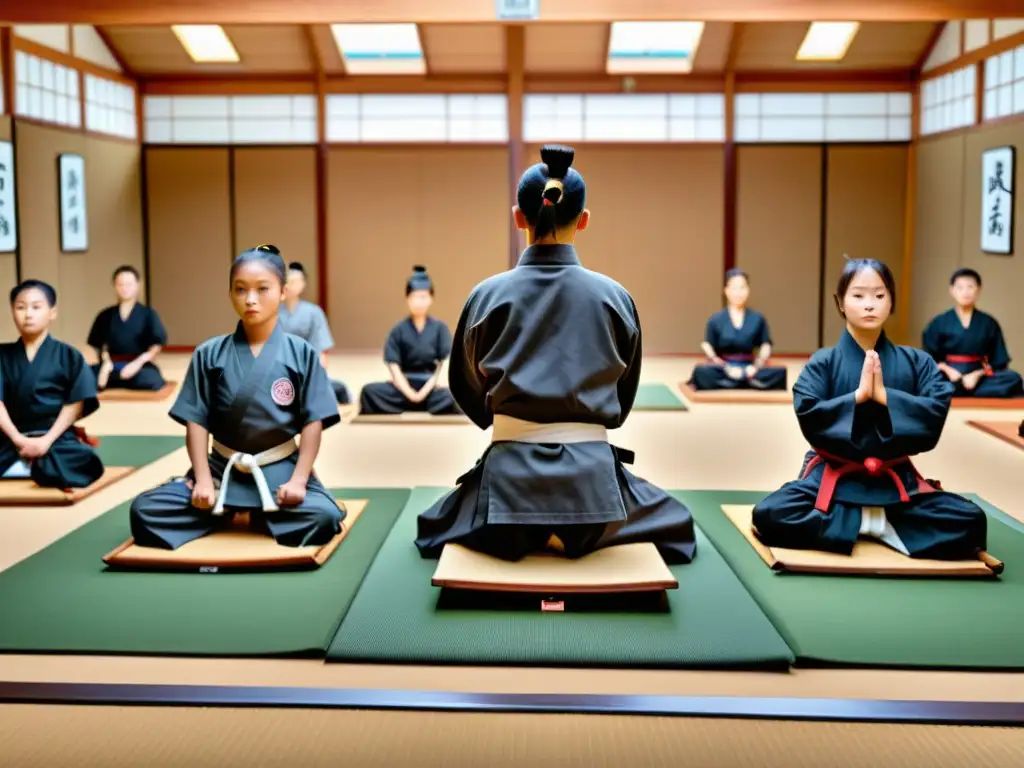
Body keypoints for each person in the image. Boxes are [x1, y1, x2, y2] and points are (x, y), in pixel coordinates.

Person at [415, 145, 696, 565]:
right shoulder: (615, 298)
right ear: (584, 221)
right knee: (678, 525)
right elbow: (622, 399)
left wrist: (506, 414)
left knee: (433, 524)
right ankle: (578, 533)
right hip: (592, 480)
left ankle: (522, 532)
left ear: (517, 216)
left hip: (507, 478)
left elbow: (466, 387)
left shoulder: (486, 296)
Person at [751, 259, 987, 561]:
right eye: (858, 295)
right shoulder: (823, 362)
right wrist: (859, 397)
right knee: (770, 514)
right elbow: (809, 413)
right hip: (835, 478)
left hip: (895, 482)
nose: (869, 305)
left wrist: (886, 396)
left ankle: (862, 521)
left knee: (972, 520)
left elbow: (936, 408)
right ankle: (876, 522)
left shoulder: (918, 362)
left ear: (892, 301)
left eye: (879, 295)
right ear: (840, 302)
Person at [128, 245, 345, 551]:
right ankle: (233, 508)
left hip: (279, 470)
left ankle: (242, 511)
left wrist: (298, 481)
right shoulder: (209, 353)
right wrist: (202, 479)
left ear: (282, 292)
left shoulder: (302, 354)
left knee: (323, 517)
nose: (250, 299)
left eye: (262, 289)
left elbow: (314, 421)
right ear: (230, 293)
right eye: (240, 290)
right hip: (221, 470)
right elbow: (196, 420)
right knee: (143, 512)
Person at [0, 280, 104, 489]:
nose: (28, 314)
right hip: (9, 438)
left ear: (52, 312)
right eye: (21, 307)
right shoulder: (2, 355)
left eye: (36, 307)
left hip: (56, 438)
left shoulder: (69, 355)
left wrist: (45, 441)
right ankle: (35, 465)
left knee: (85, 460)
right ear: (12, 312)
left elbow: (76, 402)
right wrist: (19, 439)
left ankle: (31, 464)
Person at [358, 265, 460, 415]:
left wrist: (423, 393)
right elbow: (393, 366)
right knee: (369, 392)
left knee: (457, 395)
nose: (419, 302)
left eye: (423, 297)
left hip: (431, 386)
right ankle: (418, 405)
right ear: (407, 299)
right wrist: (410, 394)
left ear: (431, 299)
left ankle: (417, 405)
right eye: (415, 297)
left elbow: (443, 365)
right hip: (402, 386)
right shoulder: (398, 329)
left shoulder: (440, 328)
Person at [922, 268, 1023, 398]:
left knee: (1013, 378)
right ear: (952, 290)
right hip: (948, 376)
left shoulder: (989, 322)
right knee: (925, 380)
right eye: (960, 287)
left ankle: (960, 392)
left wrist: (977, 375)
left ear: (978, 290)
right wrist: (950, 371)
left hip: (979, 377)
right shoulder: (939, 322)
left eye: (970, 287)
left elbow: (999, 360)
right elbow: (929, 357)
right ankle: (964, 391)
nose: (965, 292)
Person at [688, 269, 787, 391]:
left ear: (748, 290)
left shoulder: (758, 318)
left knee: (779, 373)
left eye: (742, 288)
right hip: (724, 368)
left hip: (750, 367)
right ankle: (745, 383)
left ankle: (738, 381)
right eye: (734, 288)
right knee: (701, 372)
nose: (738, 293)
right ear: (726, 291)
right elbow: (708, 347)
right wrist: (726, 368)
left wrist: (755, 367)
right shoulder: (715, 319)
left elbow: (765, 345)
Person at [279, 261, 351, 404]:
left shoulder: (314, 312)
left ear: (303, 283)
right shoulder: (272, 313)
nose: (293, 285)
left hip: (307, 370)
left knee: (337, 390)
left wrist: (317, 376)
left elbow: (321, 350)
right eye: (289, 281)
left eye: (297, 281)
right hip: (280, 370)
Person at [88, 265, 169, 391]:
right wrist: (106, 364)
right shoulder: (105, 315)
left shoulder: (148, 313)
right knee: (83, 376)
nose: (125, 288)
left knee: (151, 380)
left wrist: (137, 364)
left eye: (129, 284)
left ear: (137, 286)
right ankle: (117, 378)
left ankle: (114, 380)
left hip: (139, 364)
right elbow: (98, 345)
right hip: (111, 364)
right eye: (120, 284)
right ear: (114, 286)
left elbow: (156, 345)